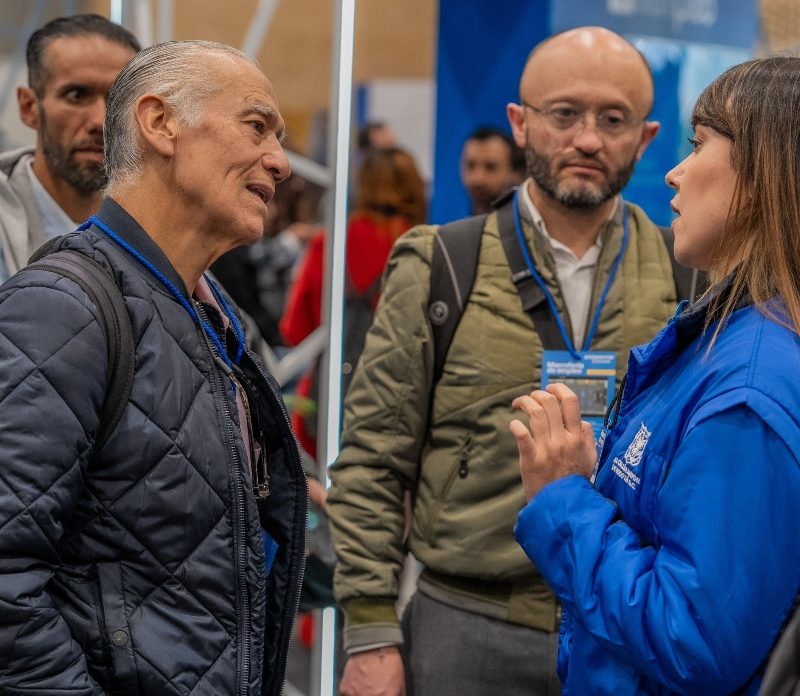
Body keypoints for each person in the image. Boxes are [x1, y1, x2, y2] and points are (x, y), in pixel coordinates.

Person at [327, 26, 682, 696]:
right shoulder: (440, 264)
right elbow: (374, 458)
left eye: (613, 119)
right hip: (464, 628)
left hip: (623, 632)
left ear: (645, 137)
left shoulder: (684, 276)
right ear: (520, 123)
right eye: (565, 114)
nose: (587, 140)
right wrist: (371, 631)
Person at [0, 40, 306, 695]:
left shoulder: (212, 312)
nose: (279, 162)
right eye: (256, 127)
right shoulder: (61, 308)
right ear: (160, 123)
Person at [511, 55, 800, 694]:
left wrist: (563, 496)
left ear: (764, 171)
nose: (673, 173)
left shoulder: (749, 388)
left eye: (698, 147)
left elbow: (690, 639)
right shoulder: (729, 342)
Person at [280, 146, 426, 461]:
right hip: (403, 409)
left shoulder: (330, 243)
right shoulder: (428, 249)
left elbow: (294, 330)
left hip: (329, 407)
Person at [0, 14, 140, 283]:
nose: (101, 121)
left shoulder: (158, 228)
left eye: (118, 99)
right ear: (29, 108)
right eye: (77, 95)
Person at [460, 126, 518, 214]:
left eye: (490, 167)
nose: (478, 179)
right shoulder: (445, 223)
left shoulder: (524, 225)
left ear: (510, 171)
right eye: (471, 165)